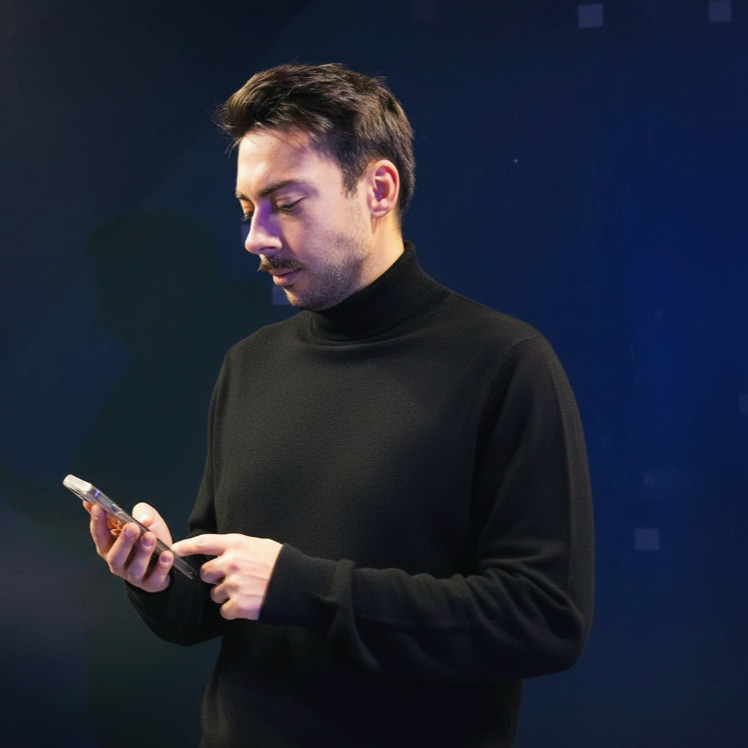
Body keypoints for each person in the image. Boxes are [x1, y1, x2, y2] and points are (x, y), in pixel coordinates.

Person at [89, 62, 594, 748]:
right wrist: (157, 578)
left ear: (378, 189)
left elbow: (543, 619)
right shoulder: (250, 364)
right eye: (247, 208)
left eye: (287, 202)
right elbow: (211, 608)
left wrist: (300, 587)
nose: (255, 237)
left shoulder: (504, 362)